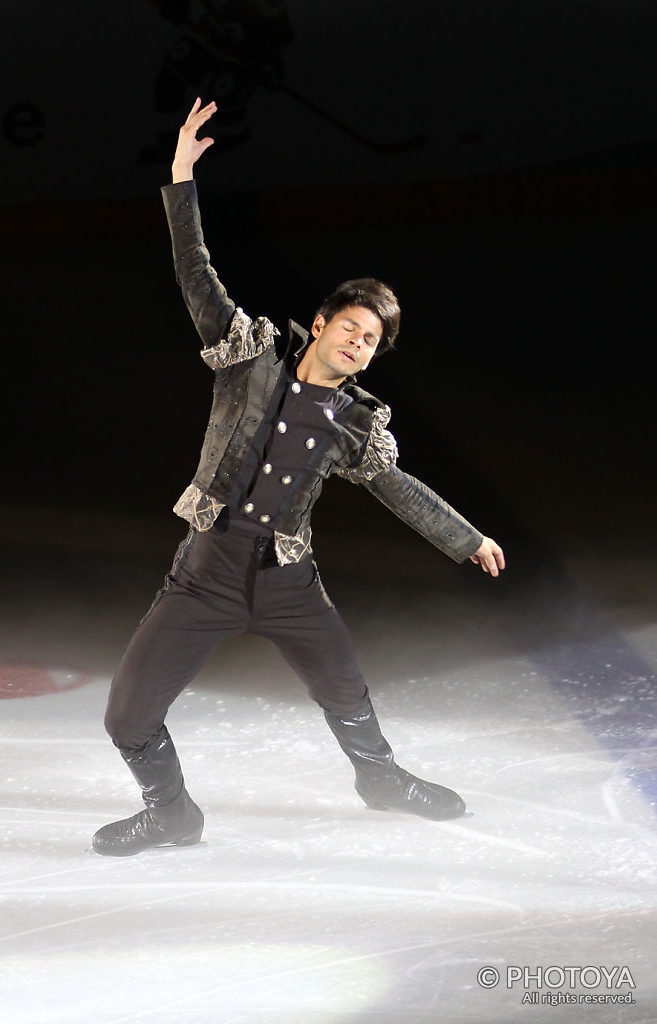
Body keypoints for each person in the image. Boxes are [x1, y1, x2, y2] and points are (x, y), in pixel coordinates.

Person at [92, 99, 505, 857]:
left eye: (372, 341)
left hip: (288, 583)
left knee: (345, 692)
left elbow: (398, 487)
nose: (359, 342)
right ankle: (171, 812)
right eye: (350, 326)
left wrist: (466, 537)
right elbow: (195, 271)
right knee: (126, 716)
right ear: (320, 324)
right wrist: (180, 179)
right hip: (205, 575)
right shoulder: (248, 354)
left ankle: (380, 779)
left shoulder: (354, 425)